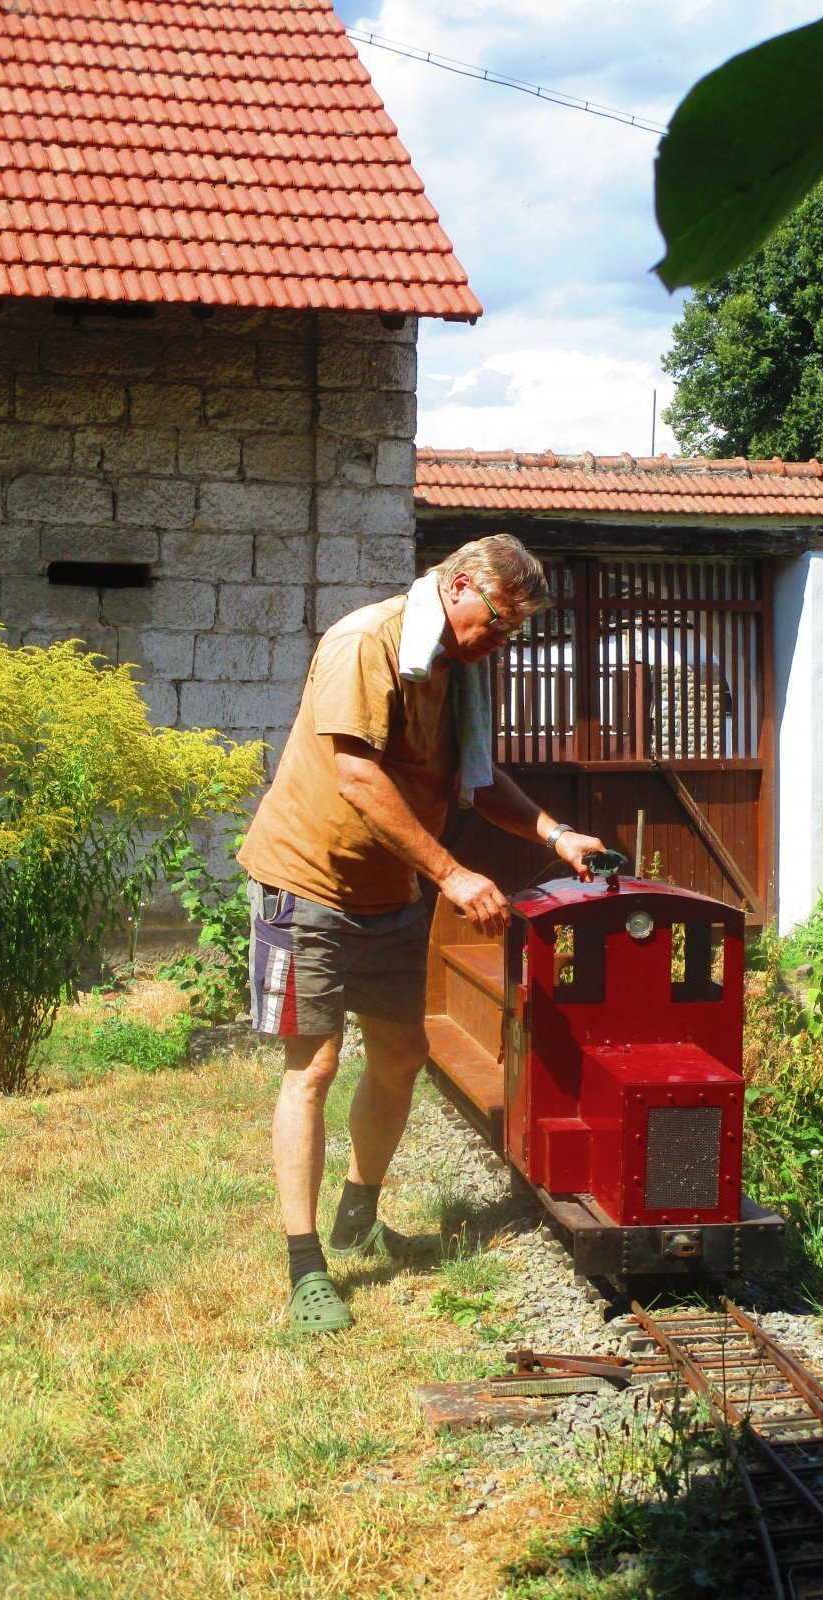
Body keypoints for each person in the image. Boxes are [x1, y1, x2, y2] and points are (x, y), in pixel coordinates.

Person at [237, 535, 605, 1333]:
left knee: (401, 1054)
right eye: (499, 623)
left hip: (390, 891)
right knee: (315, 1064)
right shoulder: (366, 641)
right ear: (461, 585)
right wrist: (452, 876)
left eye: (513, 633)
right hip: (307, 883)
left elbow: (475, 780)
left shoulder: (459, 671)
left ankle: (359, 1213)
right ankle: (306, 1268)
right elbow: (356, 774)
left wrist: (552, 831)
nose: (500, 644)